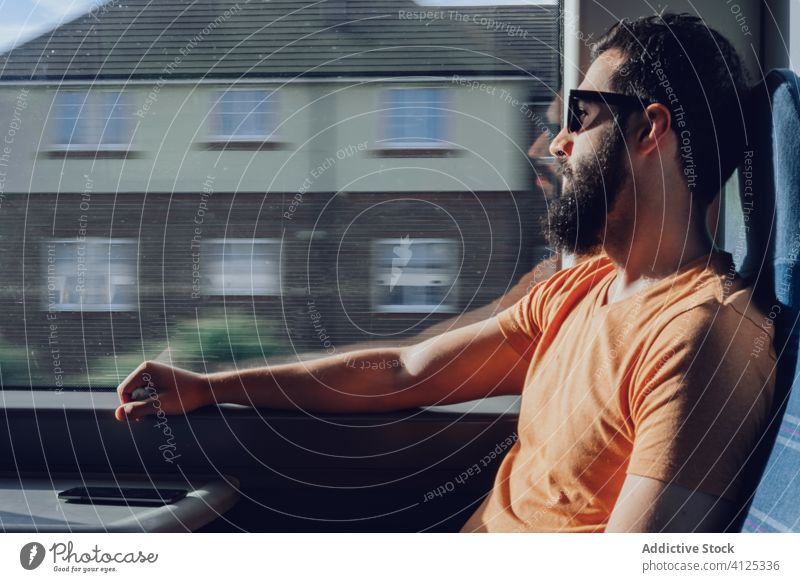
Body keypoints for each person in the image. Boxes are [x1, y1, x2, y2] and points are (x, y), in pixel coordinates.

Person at [114, 14, 776, 533]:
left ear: (650, 131)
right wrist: (211, 386)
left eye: (580, 118)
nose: (553, 146)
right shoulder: (578, 290)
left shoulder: (702, 339)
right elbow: (403, 371)